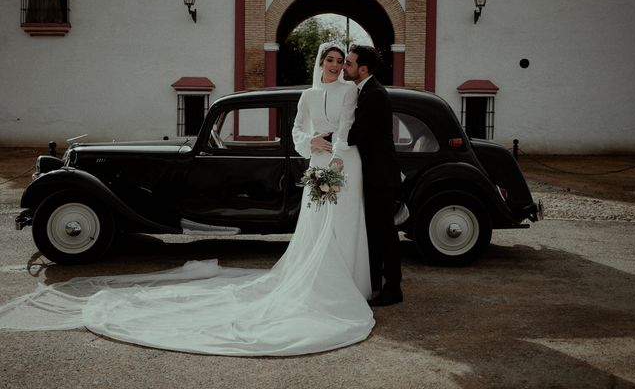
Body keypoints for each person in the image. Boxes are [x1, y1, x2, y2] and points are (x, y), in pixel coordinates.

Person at [0, 43, 374, 356]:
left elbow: (348, 126)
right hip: (315, 154)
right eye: (331, 60)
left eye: (341, 61)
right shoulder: (309, 96)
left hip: (334, 161)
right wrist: (311, 142)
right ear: (321, 63)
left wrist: (333, 149)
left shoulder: (349, 93)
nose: (336, 65)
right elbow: (297, 129)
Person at [343, 44, 403, 307]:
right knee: (374, 231)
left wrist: (328, 135)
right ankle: (375, 282)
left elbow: (358, 133)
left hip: (380, 175)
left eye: (349, 63)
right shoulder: (364, 91)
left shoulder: (374, 94)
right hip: (372, 173)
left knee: (384, 231)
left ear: (362, 69)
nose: (345, 66)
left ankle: (393, 288)